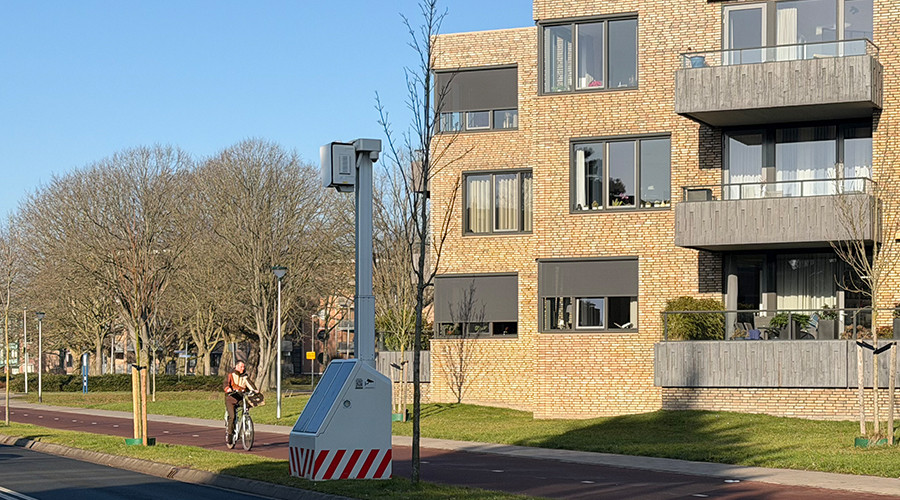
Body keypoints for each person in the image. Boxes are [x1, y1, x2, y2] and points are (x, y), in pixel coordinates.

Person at [224, 360, 258, 444]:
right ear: (237, 367)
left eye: (243, 367)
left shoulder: (244, 376)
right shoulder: (230, 374)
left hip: (240, 398)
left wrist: (254, 390)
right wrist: (228, 389)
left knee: (247, 406)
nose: (243, 368)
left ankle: (245, 421)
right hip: (231, 398)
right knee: (232, 416)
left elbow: (249, 383)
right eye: (241, 367)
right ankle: (230, 434)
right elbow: (225, 383)